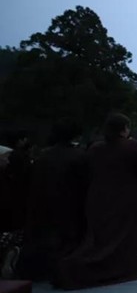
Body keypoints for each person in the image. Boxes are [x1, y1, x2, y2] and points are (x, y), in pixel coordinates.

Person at [55, 113, 137, 290]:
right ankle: (113, 268)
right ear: (125, 129)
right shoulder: (135, 148)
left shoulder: (95, 148)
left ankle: (76, 266)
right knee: (123, 239)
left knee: (99, 238)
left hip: (97, 198)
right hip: (127, 199)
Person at [18, 119, 88, 281]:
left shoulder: (43, 156)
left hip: (41, 204)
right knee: (66, 242)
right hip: (70, 206)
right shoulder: (79, 156)